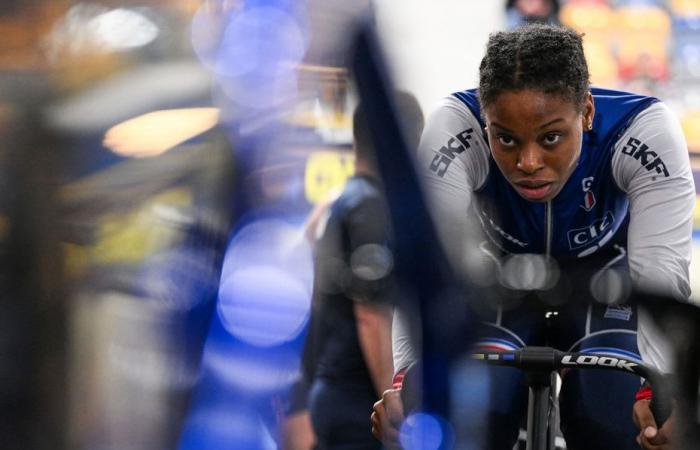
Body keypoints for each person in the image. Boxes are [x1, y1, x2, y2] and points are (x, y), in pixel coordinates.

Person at [372, 24, 695, 450]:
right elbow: (427, 269)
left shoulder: (644, 130)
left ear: (587, 112)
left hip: (605, 290)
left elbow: (660, 273)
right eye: (504, 138)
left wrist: (662, 392)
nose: (527, 162)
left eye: (551, 137)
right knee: (476, 409)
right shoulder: (454, 126)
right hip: (499, 288)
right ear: (485, 119)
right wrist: (408, 382)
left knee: (611, 414)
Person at [295, 91, 424, 450]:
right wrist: (390, 401)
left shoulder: (336, 202)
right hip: (358, 399)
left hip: (327, 387)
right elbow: (371, 314)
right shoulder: (370, 205)